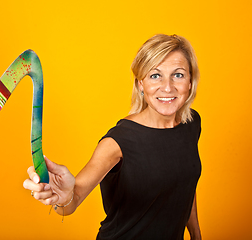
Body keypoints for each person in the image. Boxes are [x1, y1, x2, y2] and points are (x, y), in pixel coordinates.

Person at [23, 34, 202, 240]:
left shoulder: (191, 124)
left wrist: (196, 234)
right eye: (155, 75)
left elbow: (186, 185)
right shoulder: (118, 142)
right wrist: (63, 198)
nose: (168, 87)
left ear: (190, 81)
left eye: (178, 75)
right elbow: (74, 198)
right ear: (140, 84)